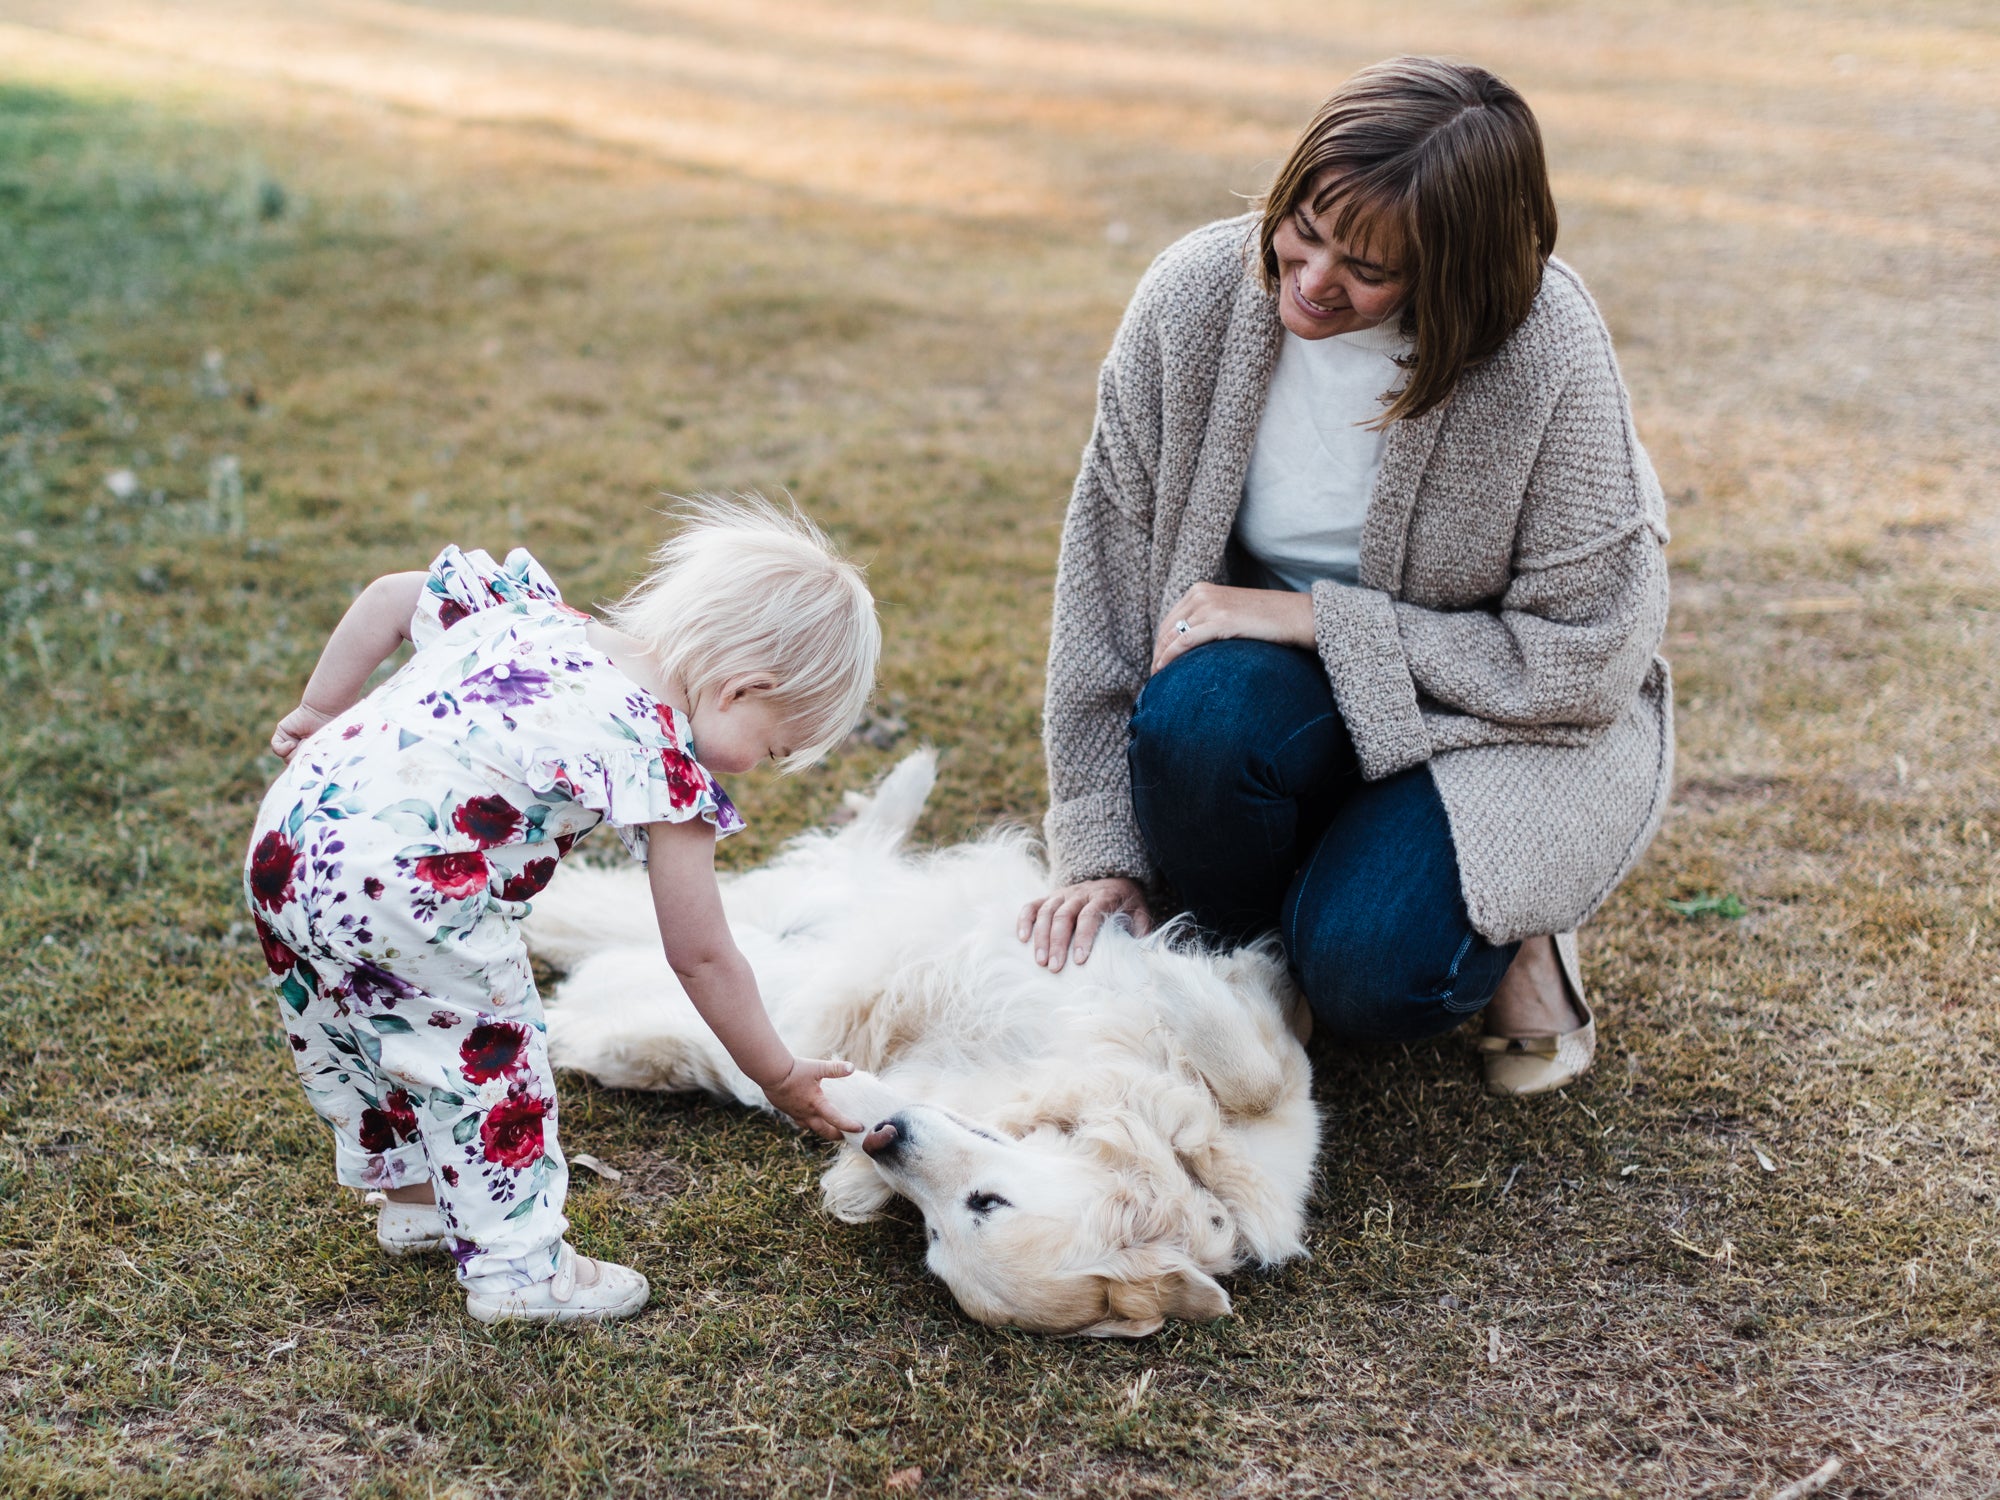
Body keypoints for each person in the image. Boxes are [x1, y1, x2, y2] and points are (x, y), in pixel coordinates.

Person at [1021, 56, 1673, 1097]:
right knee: (1200, 712)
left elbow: (1584, 661)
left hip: (1496, 719)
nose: (1313, 280)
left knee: (1375, 981)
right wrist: (1099, 846)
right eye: (1304, 229)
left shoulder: (1545, 351)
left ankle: (1520, 928)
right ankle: (1274, 930)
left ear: (1454, 274)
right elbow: (1100, 590)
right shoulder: (1193, 299)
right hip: (1289, 695)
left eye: (1367, 270)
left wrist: (1311, 618)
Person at [245, 498, 875, 1323]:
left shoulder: (525, 615)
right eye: (775, 746)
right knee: (488, 1065)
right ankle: (518, 1272)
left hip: (292, 840)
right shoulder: (662, 763)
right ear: (741, 688)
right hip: (417, 888)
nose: (760, 767)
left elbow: (391, 598)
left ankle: (413, 1198)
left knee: (345, 1023)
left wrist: (324, 711)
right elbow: (703, 954)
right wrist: (778, 1073)